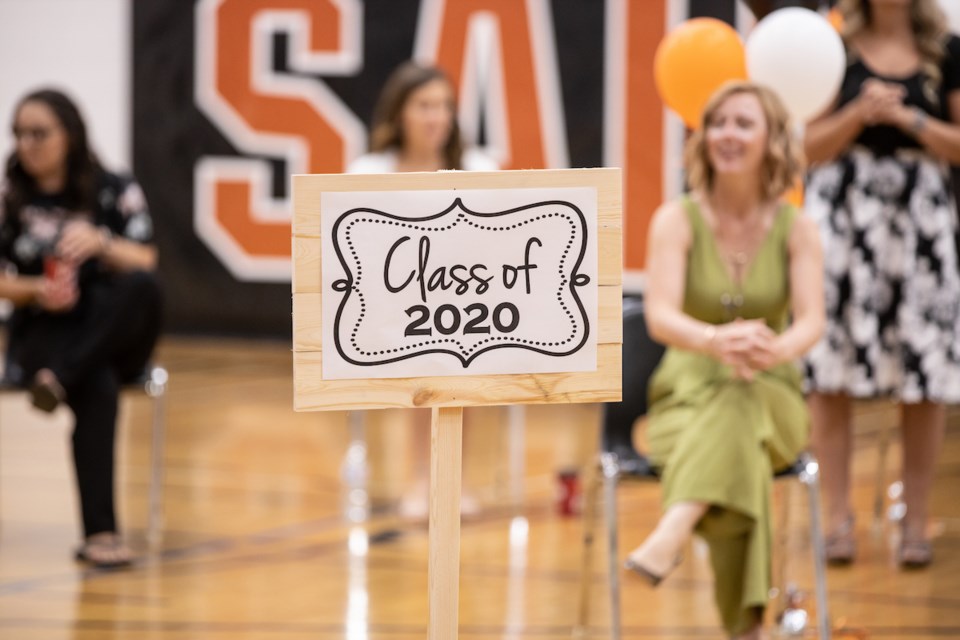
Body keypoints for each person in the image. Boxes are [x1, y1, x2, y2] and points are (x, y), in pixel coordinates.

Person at [628, 81, 824, 639]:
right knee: (742, 452)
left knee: (744, 402)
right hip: (684, 399)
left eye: (743, 123)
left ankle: (675, 527)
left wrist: (775, 349)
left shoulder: (798, 228)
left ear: (771, 140)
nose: (727, 135)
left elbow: (812, 320)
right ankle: (749, 629)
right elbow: (661, 315)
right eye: (717, 123)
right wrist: (716, 340)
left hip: (774, 392)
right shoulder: (676, 219)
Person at [803, 0, 960, 569]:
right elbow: (804, 148)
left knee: (925, 373)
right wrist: (859, 116)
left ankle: (916, 522)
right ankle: (838, 520)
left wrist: (910, 120)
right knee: (830, 370)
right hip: (843, 218)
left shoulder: (946, 51)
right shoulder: (832, 45)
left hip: (922, 222)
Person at [0, 89, 162, 568]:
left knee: (142, 288)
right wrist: (34, 291)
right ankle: (101, 535)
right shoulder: (11, 197)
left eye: (39, 133)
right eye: (19, 134)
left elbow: (147, 258)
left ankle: (61, 377)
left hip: (107, 326)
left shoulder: (113, 186)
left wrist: (102, 243)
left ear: (68, 135)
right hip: (46, 330)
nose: (27, 144)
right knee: (99, 383)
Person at [347, 62, 497, 518]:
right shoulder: (369, 172)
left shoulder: (477, 168)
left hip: (466, 310)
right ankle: (419, 478)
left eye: (444, 106)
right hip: (385, 312)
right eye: (424, 106)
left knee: (457, 346)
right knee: (426, 347)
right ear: (400, 113)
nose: (437, 117)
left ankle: (450, 479)